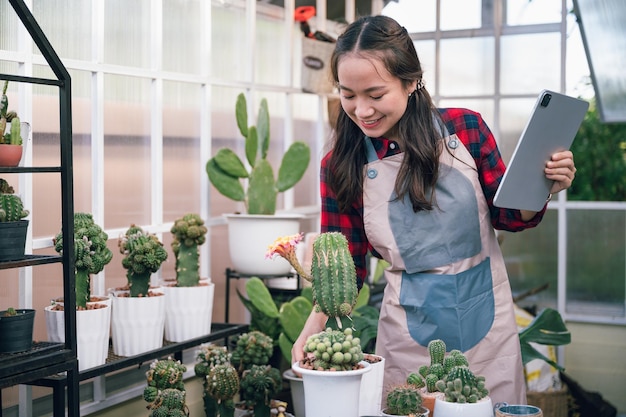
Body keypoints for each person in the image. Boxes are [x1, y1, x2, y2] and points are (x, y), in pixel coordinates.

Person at [291, 15, 577, 405]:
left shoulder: (466, 129)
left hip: (488, 329)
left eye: (375, 94)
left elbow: (508, 216)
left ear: (411, 82)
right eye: (348, 94)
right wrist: (315, 324)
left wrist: (542, 185)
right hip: (407, 339)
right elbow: (347, 267)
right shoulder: (340, 165)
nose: (362, 110)